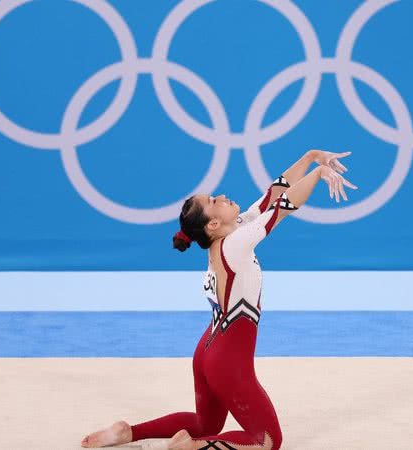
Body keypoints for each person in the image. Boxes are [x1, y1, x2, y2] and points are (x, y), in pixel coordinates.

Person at [82, 149, 356, 450]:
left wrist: (310, 158)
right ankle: (192, 447)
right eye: (214, 202)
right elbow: (282, 208)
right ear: (212, 225)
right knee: (267, 441)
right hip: (227, 361)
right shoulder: (236, 243)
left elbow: (272, 194)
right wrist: (318, 175)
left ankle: (129, 432)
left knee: (205, 424)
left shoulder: (233, 232)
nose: (223, 196)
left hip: (207, 351)